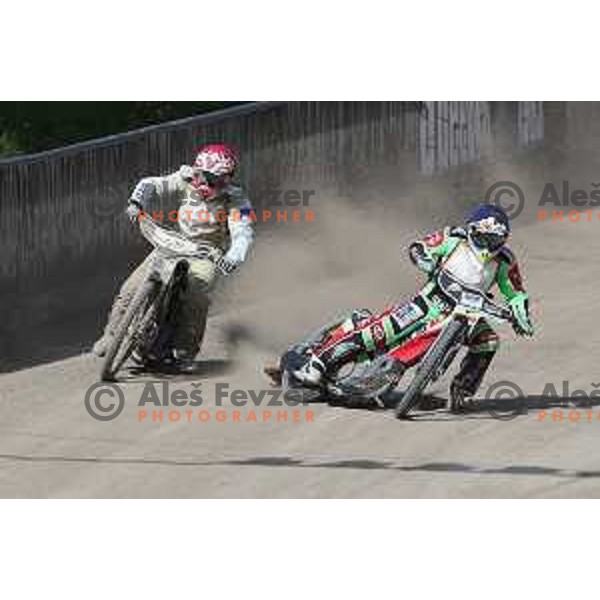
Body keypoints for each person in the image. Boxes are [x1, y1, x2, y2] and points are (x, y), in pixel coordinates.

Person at [293, 204, 533, 411]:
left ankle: (463, 391)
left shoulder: (505, 261)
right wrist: (426, 261)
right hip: (428, 302)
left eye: (496, 240)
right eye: (485, 238)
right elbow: (419, 247)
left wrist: (520, 315)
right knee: (377, 332)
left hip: (470, 314)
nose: (490, 245)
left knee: (489, 341)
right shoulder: (453, 238)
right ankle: (316, 365)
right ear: (472, 231)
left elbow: (516, 293)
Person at [93, 143, 255, 370]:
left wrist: (233, 258)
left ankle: (185, 351)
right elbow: (152, 184)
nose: (213, 184)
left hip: (207, 254)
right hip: (173, 243)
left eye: (222, 179)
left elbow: (243, 232)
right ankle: (111, 336)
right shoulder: (184, 178)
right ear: (198, 171)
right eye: (208, 177)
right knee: (131, 287)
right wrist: (136, 202)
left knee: (197, 295)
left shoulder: (238, 200)